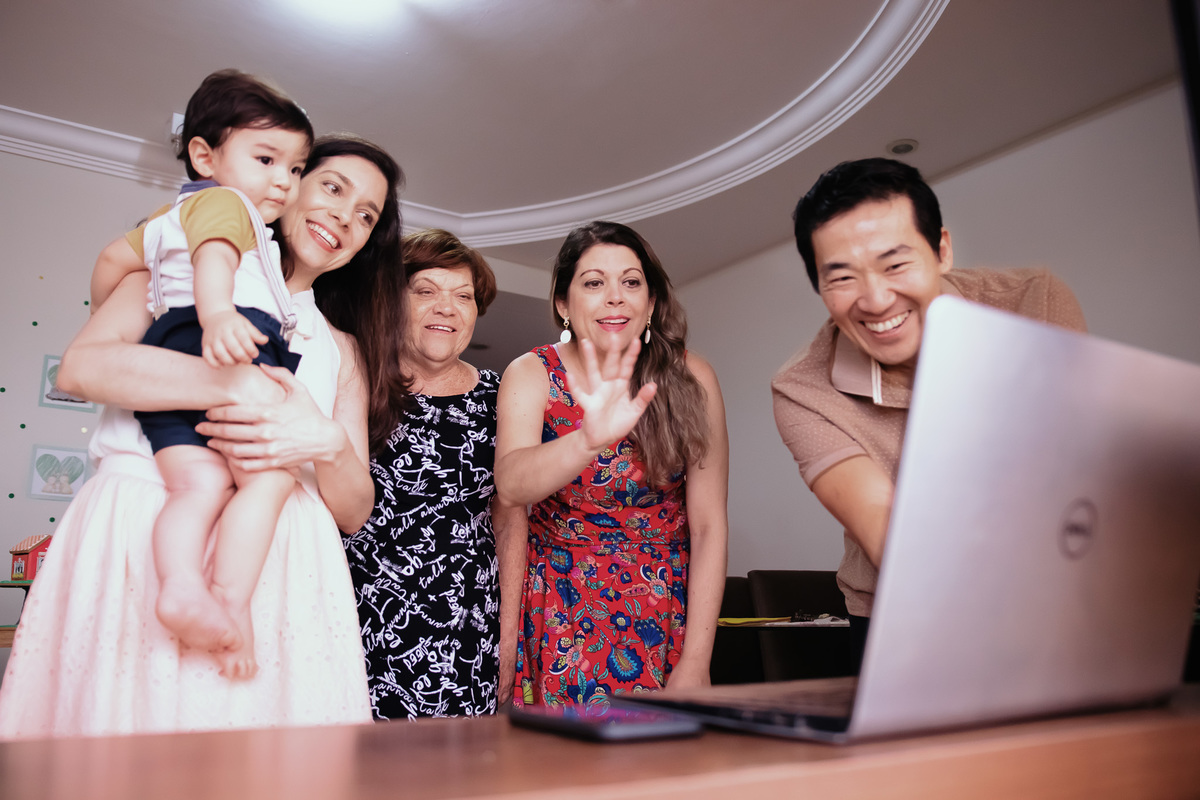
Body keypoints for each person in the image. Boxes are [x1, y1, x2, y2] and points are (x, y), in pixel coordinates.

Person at [0, 134, 405, 737]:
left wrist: (325, 441)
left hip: (285, 563)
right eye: (332, 188)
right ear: (287, 185)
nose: (346, 217)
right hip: (150, 522)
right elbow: (82, 368)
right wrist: (237, 385)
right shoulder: (179, 270)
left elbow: (353, 510)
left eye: (367, 215)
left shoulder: (342, 348)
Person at [771, 157, 1087, 662]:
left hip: (1052, 581)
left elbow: (1064, 472)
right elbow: (886, 526)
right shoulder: (803, 389)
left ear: (941, 250)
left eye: (895, 265)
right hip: (898, 608)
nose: (876, 300)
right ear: (819, 288)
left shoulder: (1032, 304)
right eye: (842, 277)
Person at [90, 70, 315, 678]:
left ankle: (181, 585)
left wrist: (112, 308)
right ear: (204, 156)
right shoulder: (226, 203)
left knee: (197, 486)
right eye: (267, 159)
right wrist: (216, 315)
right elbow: (216, 254)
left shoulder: (166, 218)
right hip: (228, 345)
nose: (284, 180)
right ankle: (230, 600)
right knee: (268, 482)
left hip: (169, 356)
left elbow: (110, 259)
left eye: (296, 168)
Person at [495, 220, 728, 707]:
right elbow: (512, 486)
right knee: (563, 756)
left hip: (664, 608)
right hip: (560, 607)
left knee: (661, 755)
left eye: (631, 282)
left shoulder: (692, 376)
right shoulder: (532, 372)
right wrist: (586, 440)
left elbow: (709, 526)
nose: (615, 297)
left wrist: (697, 660)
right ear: (563, 303)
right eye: (594, 282)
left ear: (652, 302)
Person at [343, 228, 527, 719]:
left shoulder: (504, 397)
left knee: (463, 765)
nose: (447, 308)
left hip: (468, 630)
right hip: (359, 619)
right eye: (425, 291)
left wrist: (507, 636)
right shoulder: (355, 384)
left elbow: (510, 520)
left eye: (463, 297)